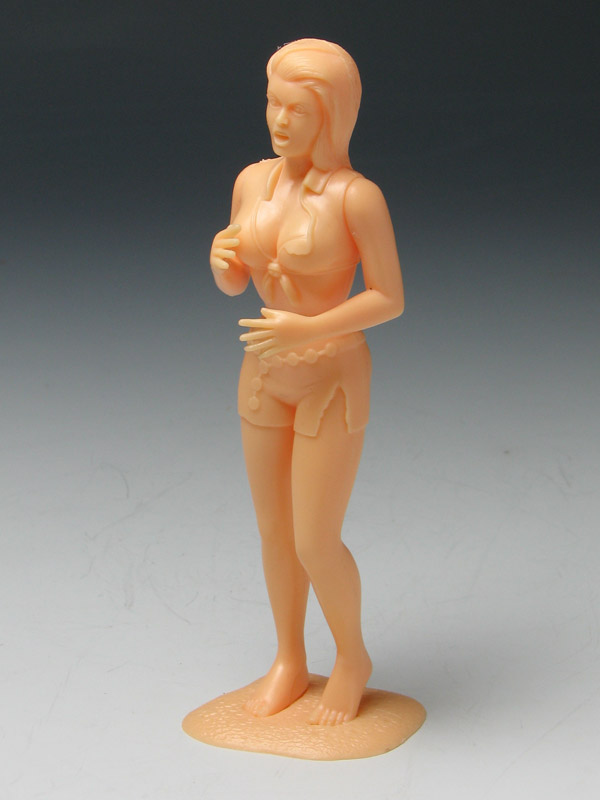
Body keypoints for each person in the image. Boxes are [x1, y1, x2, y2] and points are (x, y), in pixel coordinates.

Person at [209, 39, 404, 726]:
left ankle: (351, 658)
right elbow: (237, 281)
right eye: (273, 104)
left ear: (331, 117)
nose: (280, 120)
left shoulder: (356, 197)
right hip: (264, 372)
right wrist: (221, 263)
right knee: (274, 531)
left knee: (315, 539)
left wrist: (310, 329)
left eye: (298, 110)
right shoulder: (252, 182)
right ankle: (289, 658)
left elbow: (389, 297)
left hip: (331, 376)